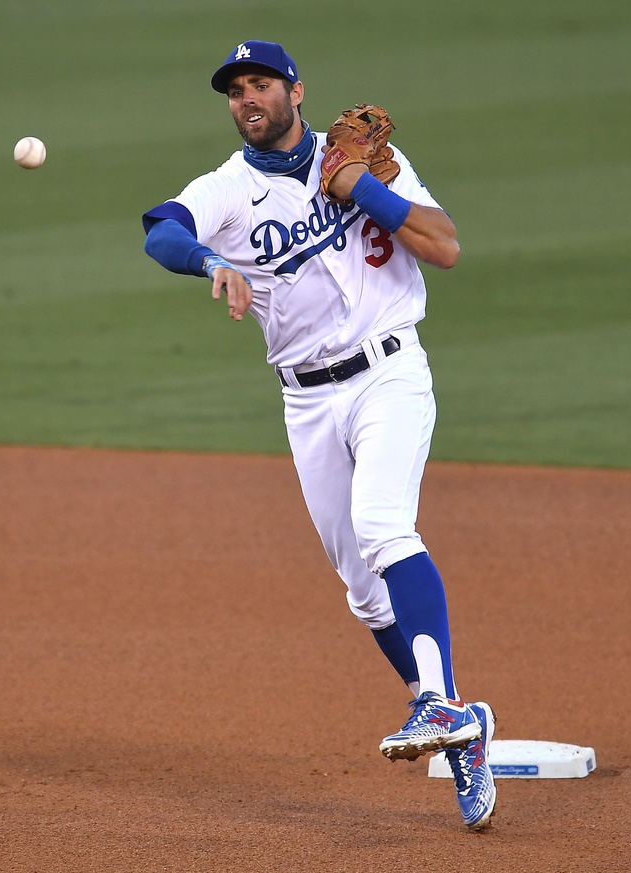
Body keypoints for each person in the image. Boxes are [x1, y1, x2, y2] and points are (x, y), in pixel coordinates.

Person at [140, 40, 496, 830]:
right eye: (235, 90)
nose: (247, 98)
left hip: (389, 374)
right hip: (306, 405)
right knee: (362, 590)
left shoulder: (369, 159)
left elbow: (444, 246)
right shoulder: (227, 189)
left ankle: (437, 705)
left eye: (260, 83)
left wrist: (365, 187)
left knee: (381, 524)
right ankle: (461, 725)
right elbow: (160, 230)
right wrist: (210, 264)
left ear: (295, 90)